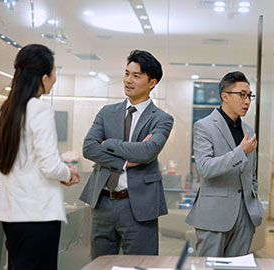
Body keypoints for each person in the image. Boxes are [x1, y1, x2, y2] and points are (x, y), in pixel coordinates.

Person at [0, 44, 80, 270]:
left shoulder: (7, 110)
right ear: (43, 77)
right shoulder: (39, 109)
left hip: (11, 213)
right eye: (53, 72)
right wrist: (67, 172)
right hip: (38, 214)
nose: (54, 78)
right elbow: (50, 166)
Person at [79, 50, 174, 258]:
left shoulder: (162, 119)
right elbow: (89, 148)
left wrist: (109, 143)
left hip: (139, 206)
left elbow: (147, 151)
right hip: (103, 202)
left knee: (140, 264)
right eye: (126, 74)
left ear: (152, 82)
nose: (128, 80)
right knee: (100, 264)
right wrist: (125, 163)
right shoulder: (107, 112)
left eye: (136, 76)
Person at [185, 71, 263, 257]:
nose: (247, 101)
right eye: (242, 95)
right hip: (214, 215)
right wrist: (240, 152)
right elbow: (204, 168)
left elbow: (251, 174)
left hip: (245, 216)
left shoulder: (248, 130)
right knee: (207, 268)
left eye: (250, 96)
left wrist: (254, 205)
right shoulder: (204, 126)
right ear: (224, 96)